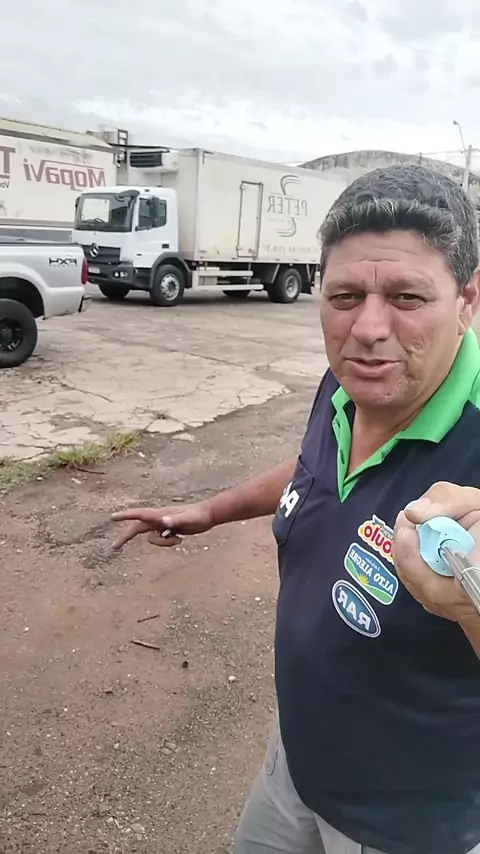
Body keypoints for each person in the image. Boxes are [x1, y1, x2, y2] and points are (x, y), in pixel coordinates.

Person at [112, 164, 480, 854]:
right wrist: (210, 510)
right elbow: (316, 467)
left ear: (467, 299)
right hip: (297, 759)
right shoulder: (348, 386)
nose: (367, 328)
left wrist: (471, 602)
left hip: (403, 819)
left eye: (406, 297)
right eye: (345, 296)